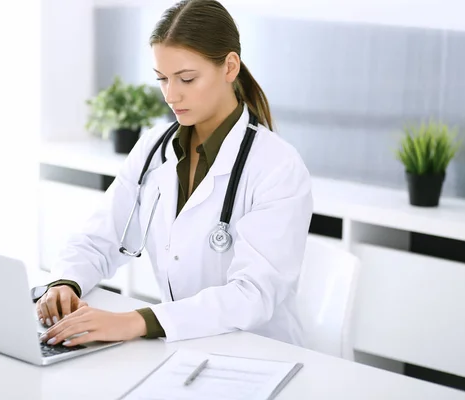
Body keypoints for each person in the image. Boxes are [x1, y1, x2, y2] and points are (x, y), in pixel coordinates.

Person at [35, 0, 313, 348]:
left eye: (186, 78)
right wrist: (65, 282)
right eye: (162, 79)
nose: (171, 94)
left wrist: (137, 321)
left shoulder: (277, 166)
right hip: (182, 349)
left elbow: (252, 294)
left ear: (230, 67)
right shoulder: (154, 147)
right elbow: (98, 238)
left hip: (258, 353)